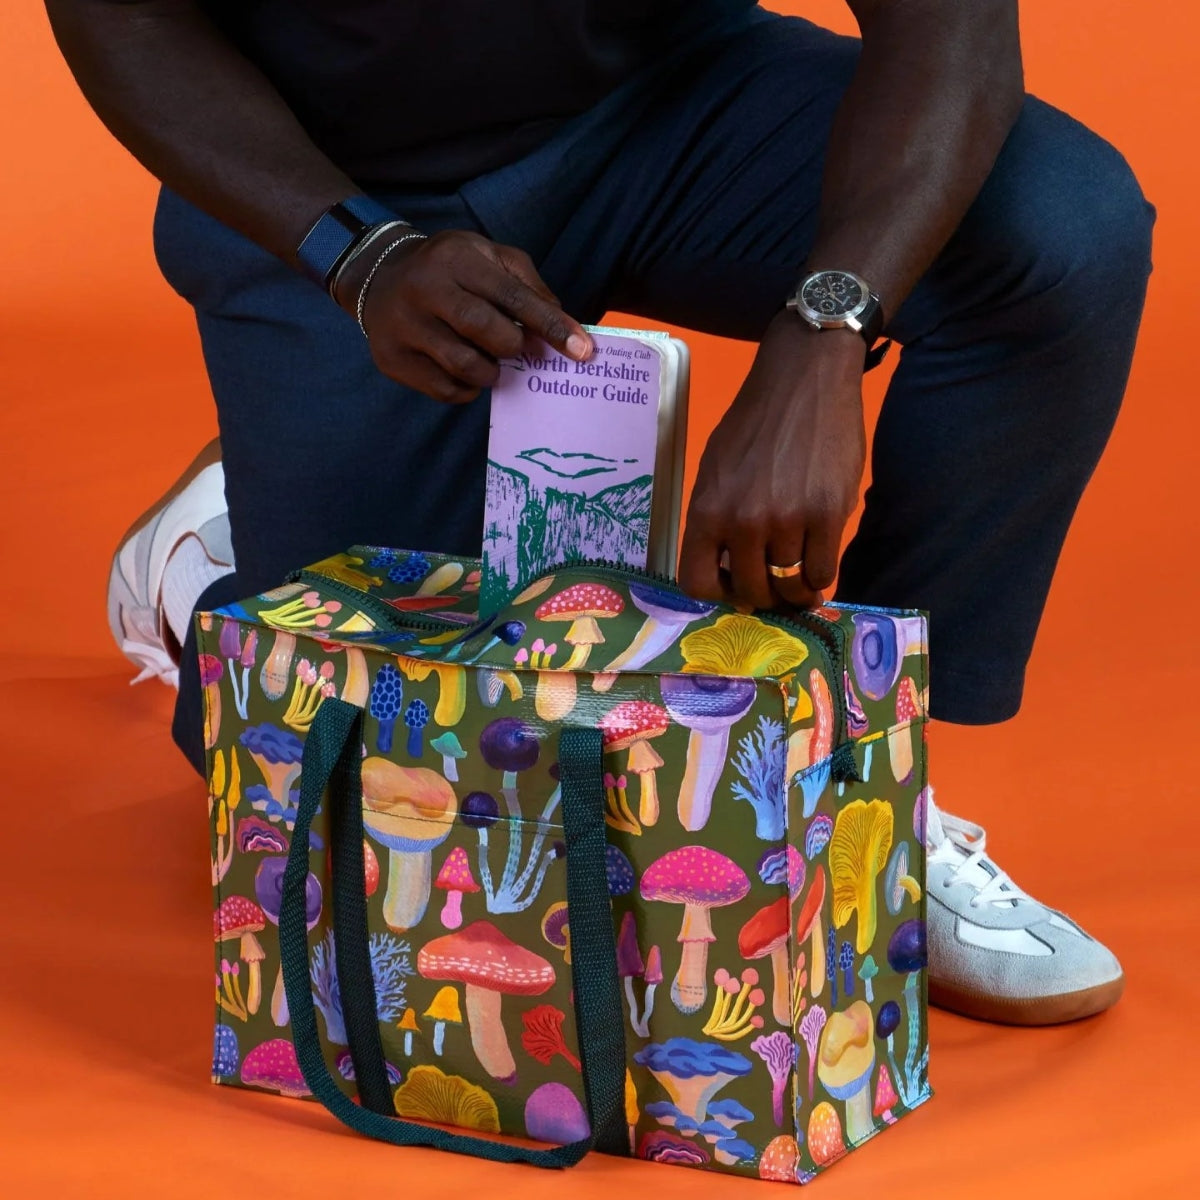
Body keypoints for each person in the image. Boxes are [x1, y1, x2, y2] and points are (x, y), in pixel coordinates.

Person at [52, 0, 1153, 1027]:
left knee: (1057, 232)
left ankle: (858, 790)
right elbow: (122, 14)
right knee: (395, 847)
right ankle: (209, 565)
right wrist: (361, 255)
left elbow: (950, 27)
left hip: (670, 98)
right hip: (347, 175)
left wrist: (829, 325)